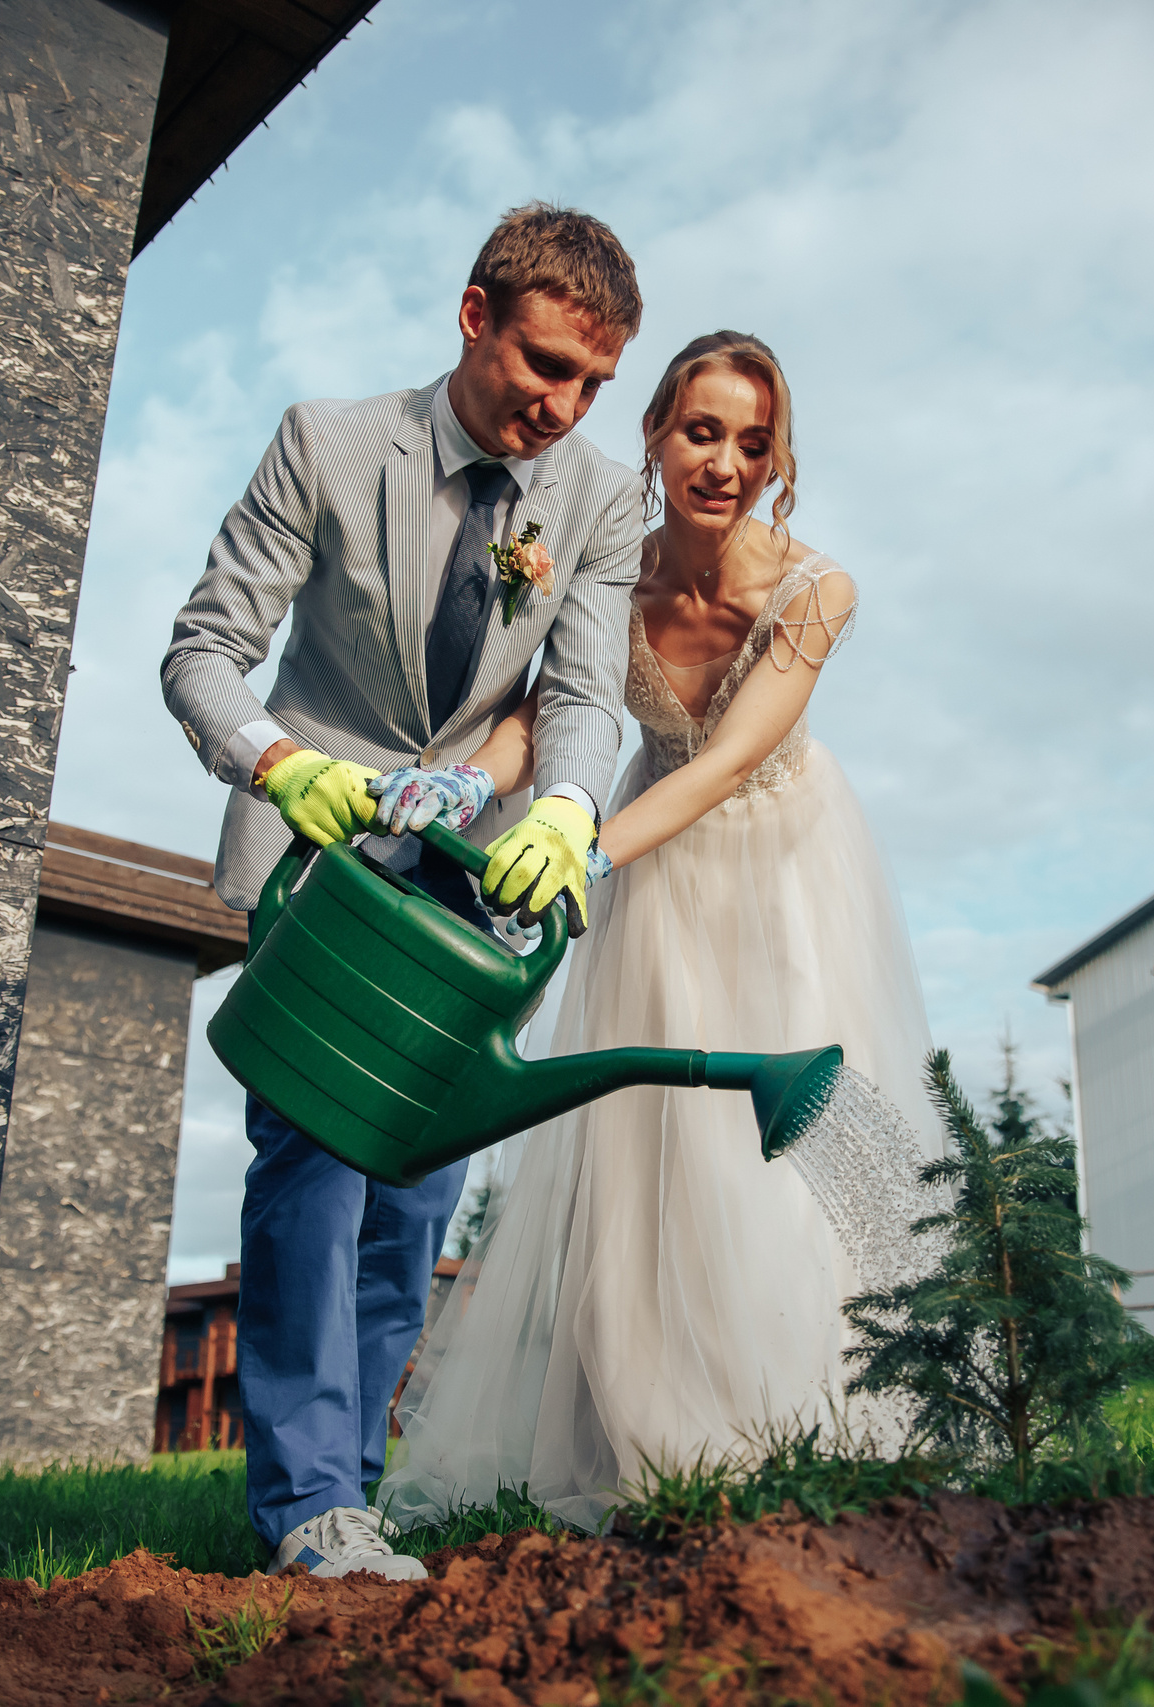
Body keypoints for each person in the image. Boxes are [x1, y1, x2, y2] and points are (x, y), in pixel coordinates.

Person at [372, 332, 942, 1533]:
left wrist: (578, 853)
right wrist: (471, 788)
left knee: (772, 1158)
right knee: (646, 1153)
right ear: (654, 436)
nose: (726, 462)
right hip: (649, 879)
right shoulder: (604, 572)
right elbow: (549, 715)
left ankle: (805, 1423)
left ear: (774, 454)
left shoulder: (813, 589)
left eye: (752, 440)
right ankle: (650, 1435)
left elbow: (732, 758)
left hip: (780, 867)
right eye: (701, 431)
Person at [160, 204, 647, 1581]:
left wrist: (561, 804)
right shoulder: (328, 441)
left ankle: (351, 1484)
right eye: (544, 364)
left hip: (467, 879)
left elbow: (587, 691)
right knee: (312, 1166)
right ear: (473, 313)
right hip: (320, 863)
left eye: (593, 384)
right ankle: (306, 1501)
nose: (563, 405)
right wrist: (278, 762)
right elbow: (203, 650)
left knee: (414, 1191)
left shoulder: (599, 501)